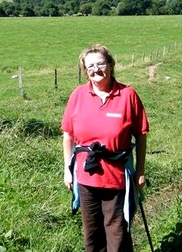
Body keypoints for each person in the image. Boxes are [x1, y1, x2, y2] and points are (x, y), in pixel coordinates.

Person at [62, 44, 149, 252]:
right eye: (90, 66)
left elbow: (141, 134)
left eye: (101, 63)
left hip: (117, 177)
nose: (96, 69)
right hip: (85, 177)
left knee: (117, 232)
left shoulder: (128, 95)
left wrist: (140, 172)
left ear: (110, 64)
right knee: (92, 234)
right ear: (85, 70)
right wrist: (67, 169)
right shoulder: (78, 95)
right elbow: (68, 134)